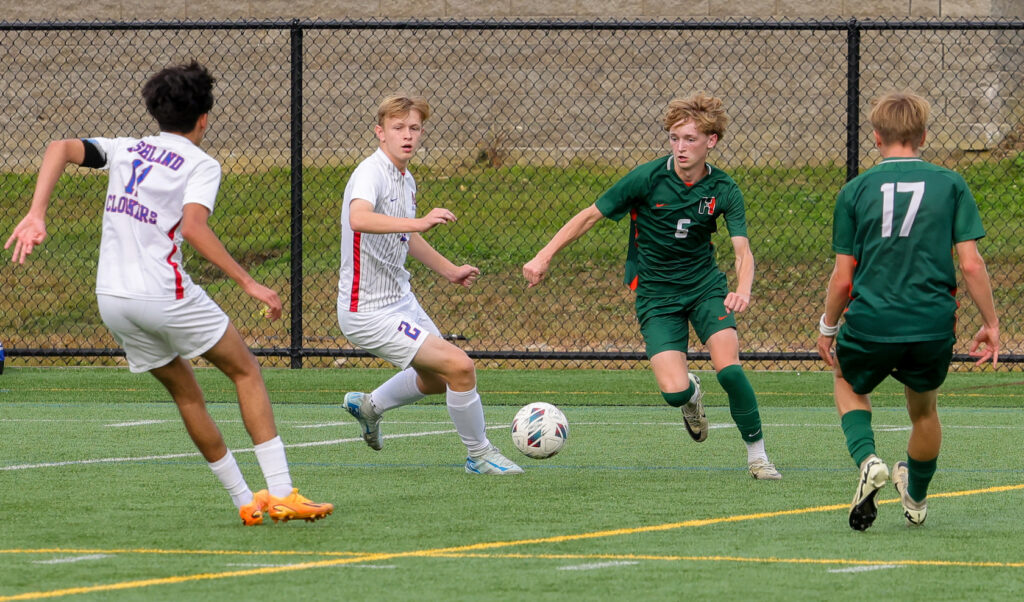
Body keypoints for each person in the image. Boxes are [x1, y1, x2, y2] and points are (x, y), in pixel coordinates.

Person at [5, 61, 332, 526]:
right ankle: (281, 492)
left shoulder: (126, 148)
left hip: (113, 300)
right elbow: (195, 228)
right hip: (163, 293)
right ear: (204, 118)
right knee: (245, 371)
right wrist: (249, 281)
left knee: (187, 395)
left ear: (156, 113)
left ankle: (244, 499)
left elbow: (59, 146)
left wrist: (37, 213)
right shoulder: (201, 164)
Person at [523, 92, 781, 480]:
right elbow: (590, 216)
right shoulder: (646, 178)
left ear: (711, 142)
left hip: (705, 288)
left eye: (690, 139)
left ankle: (758, 456)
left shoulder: (724, 189)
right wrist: (544, 254)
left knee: (730, 370)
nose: (680, 147)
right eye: (675, 138)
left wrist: (742, 288)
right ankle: (691, 396)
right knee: (674, 392)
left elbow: (742, 251)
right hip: (657, 296)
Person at [817, 91, 999, 531]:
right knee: (924, 412)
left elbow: (843, 278)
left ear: (876, 138)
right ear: (924, 136)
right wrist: (991, 323)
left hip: (872, 319)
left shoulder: (854, 190)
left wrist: (828, 327)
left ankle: (869, 459)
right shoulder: (951, 183)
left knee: (844, 378)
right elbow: (971, 263)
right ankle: (915, 498)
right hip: (931, 321)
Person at [338, 95, 522, 475]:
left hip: (399, 300)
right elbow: (359, 218)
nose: (407, 135)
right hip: (366, 311)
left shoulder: (405, 178)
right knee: (461, 366)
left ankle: (370, 405)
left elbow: (408, 236)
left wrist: (450, 270)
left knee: (438, 380)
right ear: (380, 132)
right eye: (398, 127)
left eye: (414, 128)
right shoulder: (370, 173)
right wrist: (419, 221)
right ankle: (480, 454)